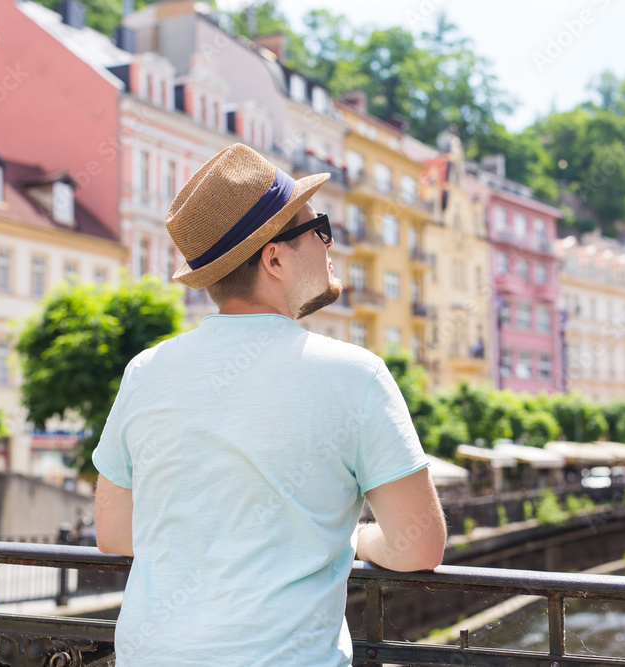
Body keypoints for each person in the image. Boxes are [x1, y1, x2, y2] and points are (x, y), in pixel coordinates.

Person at [93, 143, 447, 666]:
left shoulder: (146, 372)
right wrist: (355, 539)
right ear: (274, 257)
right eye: (317, 227)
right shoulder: (354, 375)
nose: (330, 244)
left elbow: (115, 533)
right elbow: (418, 545)